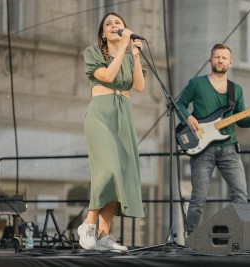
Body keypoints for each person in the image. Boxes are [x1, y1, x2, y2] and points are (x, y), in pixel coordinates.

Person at [176, 44, 250, 233]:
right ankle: (190, 237)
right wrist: (188, 117)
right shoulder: (196, 84)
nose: (220, 60)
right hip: (202, 147)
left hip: (229, 148)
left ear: (230, 63)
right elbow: (179, 104)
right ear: (210, 60)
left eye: (224, 58)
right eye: (217, 57)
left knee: (241, 194)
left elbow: (241, 119)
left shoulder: (236, 90)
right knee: (198, 197)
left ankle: (233, 236)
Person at [77, 12, 145, 251]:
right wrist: (124, 46)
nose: (114, 26)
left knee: (122, 173)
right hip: (100, 116)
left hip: (123, 116)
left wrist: (134, 56)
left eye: (118, 23)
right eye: (109, 24)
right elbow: (106, 75)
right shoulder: (93, 53)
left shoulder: (128, 57)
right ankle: (88, 224)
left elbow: (139, 86)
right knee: (108, 168)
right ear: (103, 34)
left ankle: (104, 235)